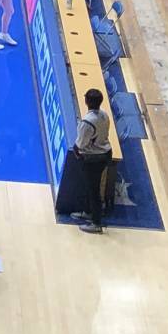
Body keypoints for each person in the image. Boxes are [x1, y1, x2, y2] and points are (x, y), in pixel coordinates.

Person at [56, 87, 114, 231]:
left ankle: (96, 223)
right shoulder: (104, 115)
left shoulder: (87, 122)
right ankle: (89, 212)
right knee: (91, 187)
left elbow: (80, 144)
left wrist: (78, 154)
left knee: (93, 190)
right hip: (106, 152)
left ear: (87, 102)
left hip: (94, 158)